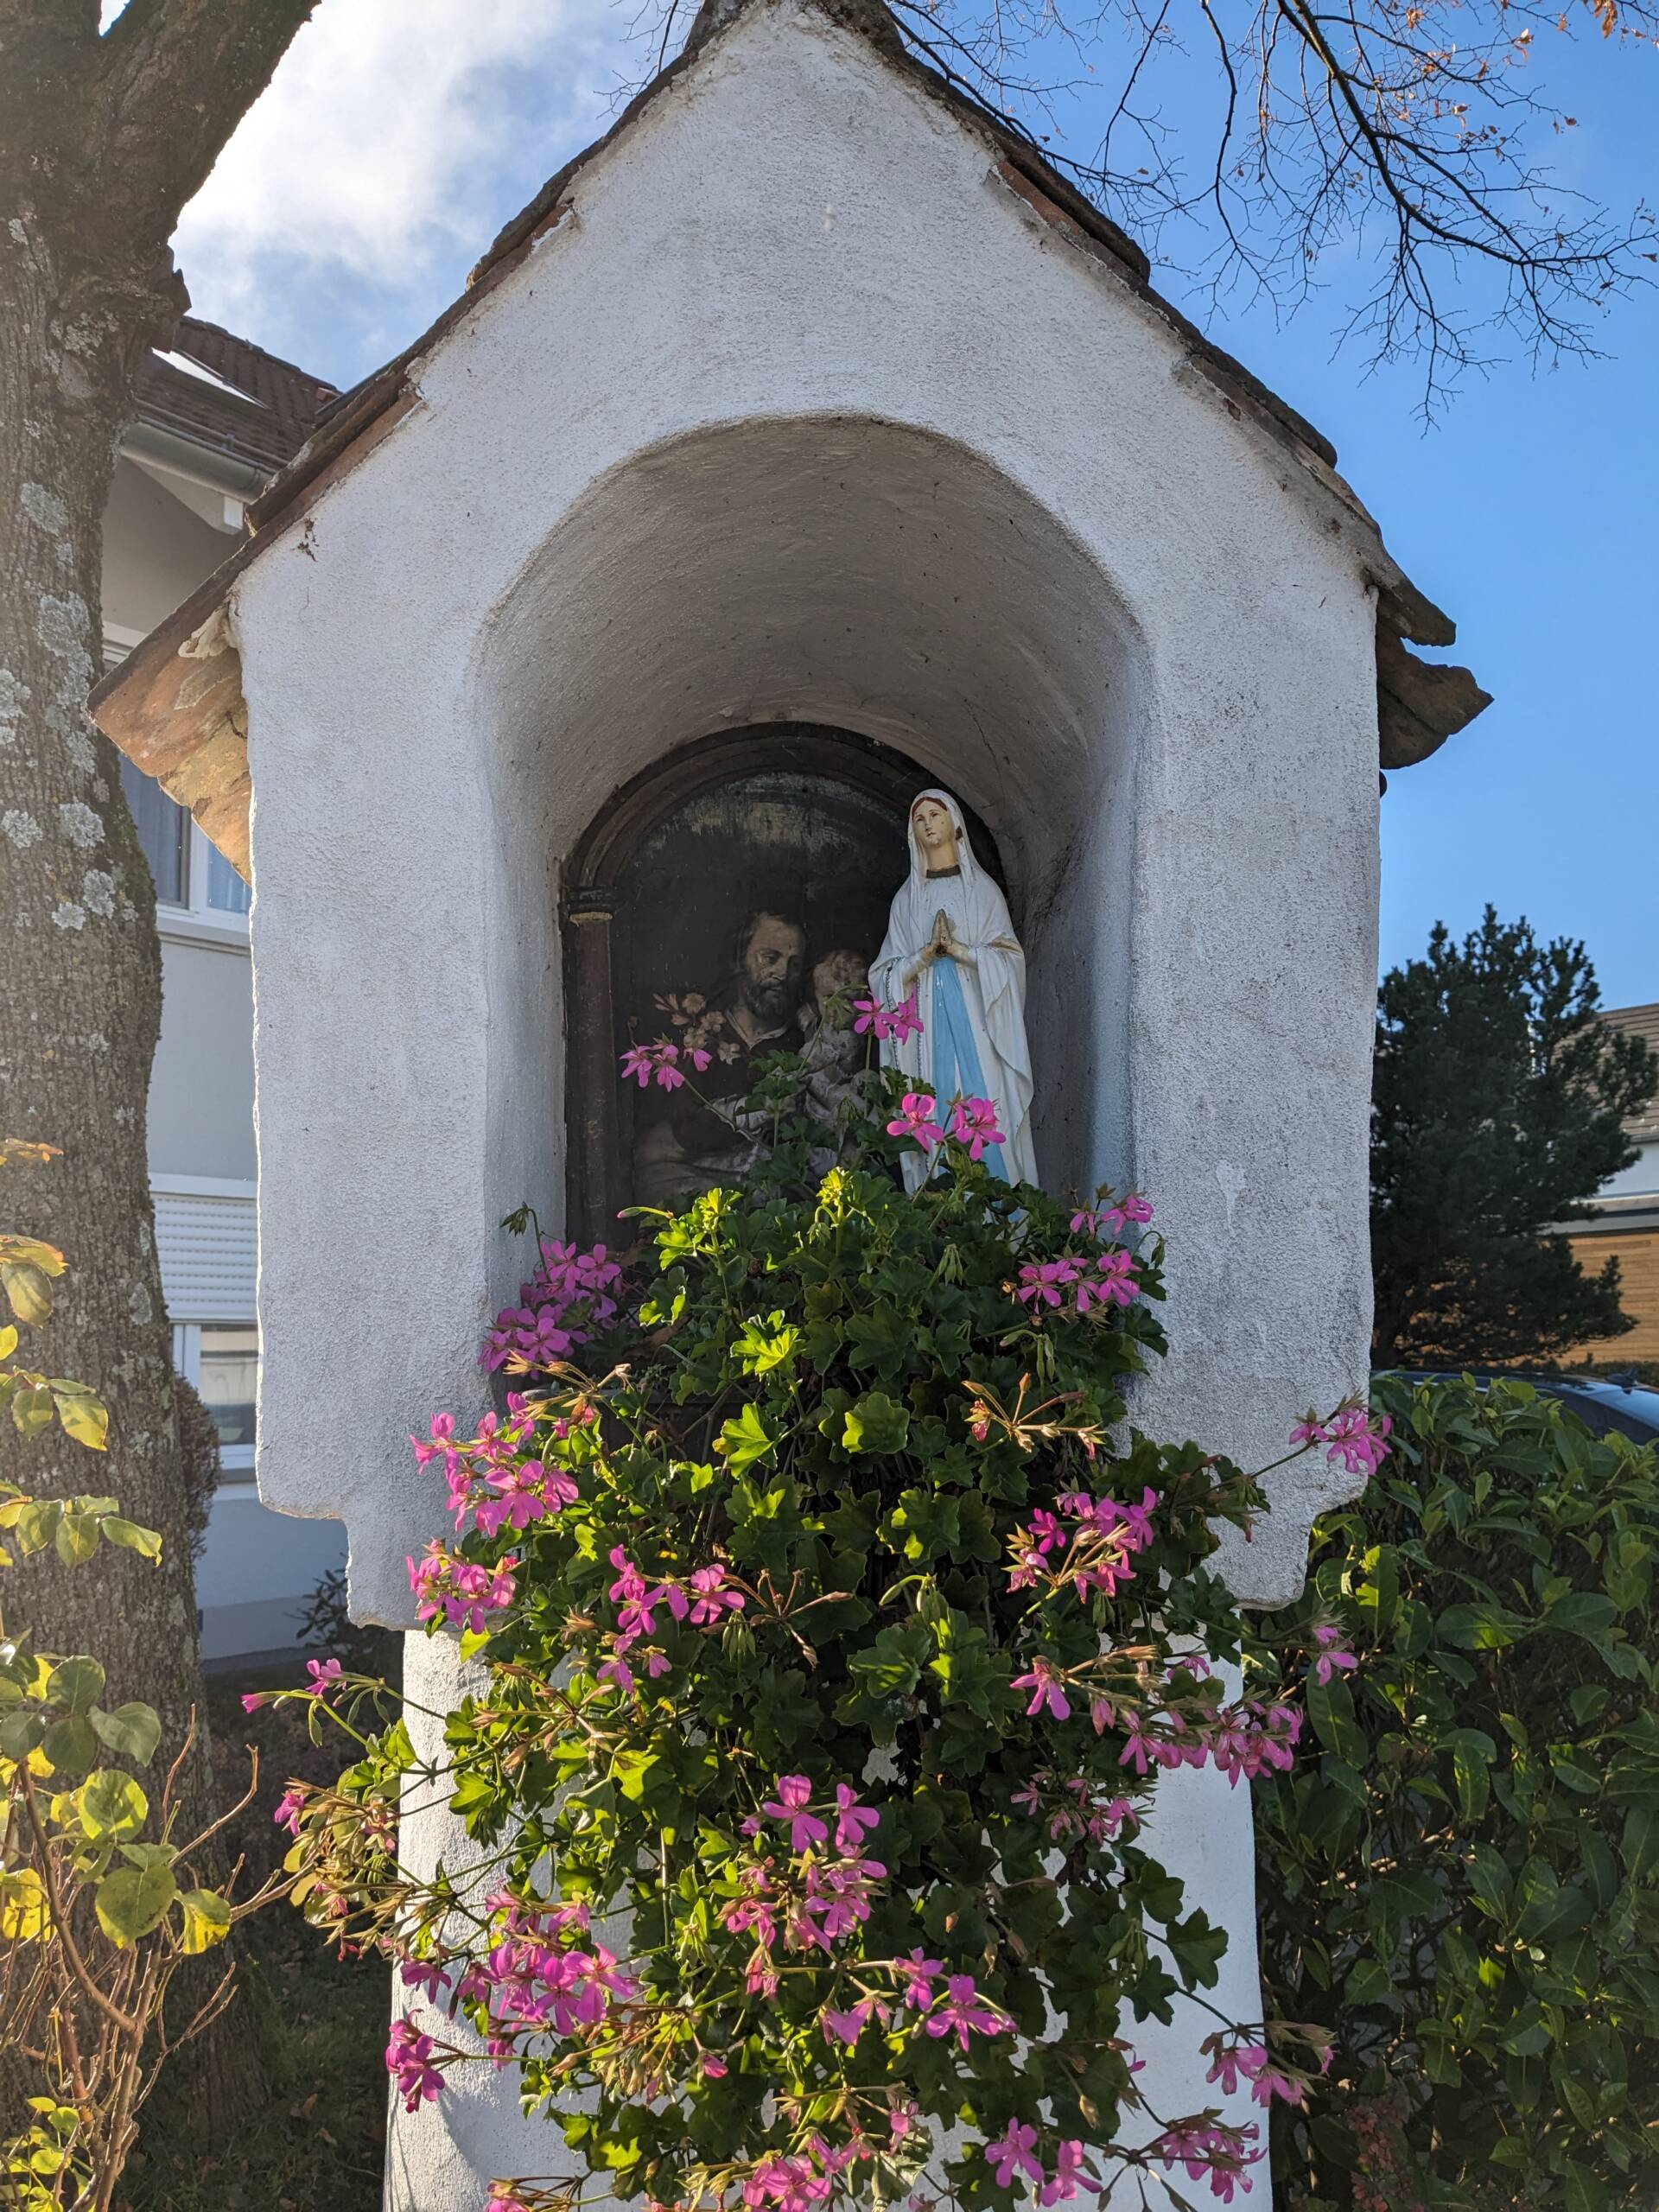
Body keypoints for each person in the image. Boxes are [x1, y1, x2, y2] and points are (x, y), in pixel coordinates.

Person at [869, 788, 1037, 1190]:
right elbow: (883, 973)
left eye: (935, 815)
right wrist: (923, 957)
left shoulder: (982, 892)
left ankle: (1002, 1211)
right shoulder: (907, 901)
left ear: (955, 824)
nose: (927, 824)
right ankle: (942, 1207)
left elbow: (1009, 958)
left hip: (978, 1020)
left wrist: (961, 952)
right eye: (919, 819)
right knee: (936, 1105)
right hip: (928, 1025)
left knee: (987, 1102)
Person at [632, 911, 808, 1206]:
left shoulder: (803, 1044)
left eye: (795, 964)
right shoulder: (700, 1036)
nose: (782, 973)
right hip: (693, 1176)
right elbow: (681, 1131)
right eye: (770, 958)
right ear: (738, 960)